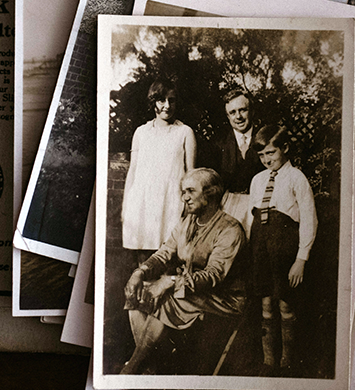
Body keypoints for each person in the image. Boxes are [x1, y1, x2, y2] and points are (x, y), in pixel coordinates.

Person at [121, 168, 249, 375]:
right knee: (137, 292)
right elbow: (164, 253)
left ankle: (133, 369)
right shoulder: (187, 222)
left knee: (167, 298)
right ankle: (150, 367)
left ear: (211, 194)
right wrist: (140, 273)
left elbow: (213, 275)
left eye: (190, 191)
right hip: (190, 288)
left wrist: (169, 282)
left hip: (223, 297)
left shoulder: (230, 229)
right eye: (183, 192)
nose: (185, 198)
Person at [247, 125, 317, 375]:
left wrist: (301, 258)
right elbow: (250, 217)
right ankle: (268, 359)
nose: (266, 159)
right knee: (265, 303)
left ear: (285, 148)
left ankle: (287, 359)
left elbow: (309, 218)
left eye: (271, 153)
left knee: (285, 304)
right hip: (260, 249)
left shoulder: (296, 177)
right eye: (262, 155)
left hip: (285, 250)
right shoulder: (257, 180)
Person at [123, 80, 197, 257]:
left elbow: (191, 174)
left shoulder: (185, 132)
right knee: (143, 262)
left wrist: (189, 204)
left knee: (169, 259)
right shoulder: (141, 132)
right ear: (153, 101)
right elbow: (133, 170)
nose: (167, 106)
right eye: (161, 100)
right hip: (143, 204)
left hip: (172, 204)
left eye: (171, 100)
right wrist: (126, 205)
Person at [210, 90, 266, 236]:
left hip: (261, 203)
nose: (238, 117)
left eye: (242, 110)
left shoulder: (265, 139)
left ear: (251, 111)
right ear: (228, 116)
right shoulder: (218, 143)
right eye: (233, 112)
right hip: (229, 205)